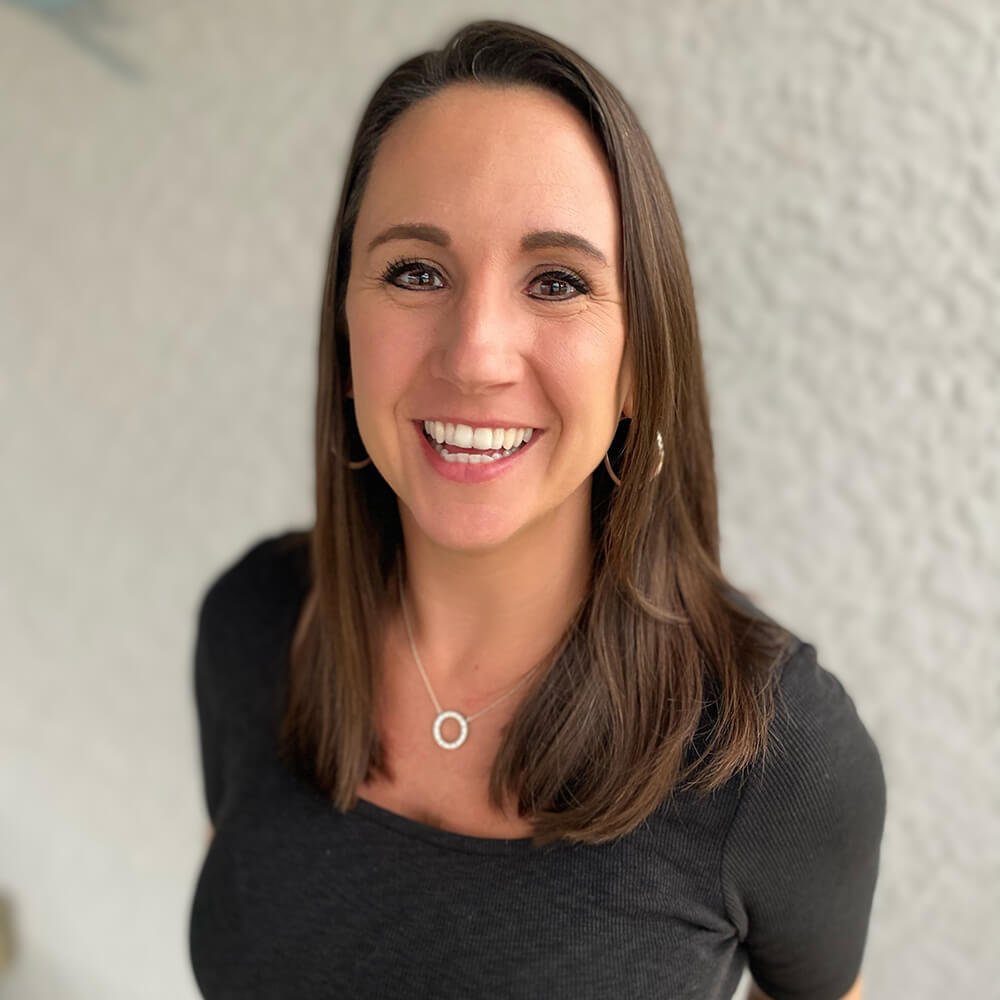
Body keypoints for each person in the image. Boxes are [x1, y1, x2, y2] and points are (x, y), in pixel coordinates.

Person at [188, 19, 885, 1000]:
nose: (475, 353)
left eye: (556, 281)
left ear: (640, 359)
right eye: (414, 272)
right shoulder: (250, 626)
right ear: (345, 334)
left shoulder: (775, 756)